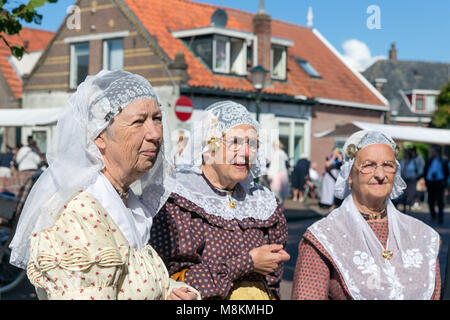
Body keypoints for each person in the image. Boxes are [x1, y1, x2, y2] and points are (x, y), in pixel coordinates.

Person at [9, 70, 200, 300]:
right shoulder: (78, 214)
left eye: (157, 119)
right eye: (138, 121)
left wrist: (171, 291)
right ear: (99, 136)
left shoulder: (129, 201)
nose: (154, 134)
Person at [150, 101, 290, 300]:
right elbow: (174, 284)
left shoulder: (263, 204)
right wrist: (247, 263)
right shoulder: (179, 202)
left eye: (251, 143)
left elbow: (273, 284)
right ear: (208, 149)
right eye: (234, 142)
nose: (246, 152)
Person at [291, 130, 441, 300]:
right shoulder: (324, 237)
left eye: (388, 165)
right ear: (349, 175)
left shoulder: (423, 236)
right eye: (368, 165)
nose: (380, 175)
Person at [423, 145, 449, 224]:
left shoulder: (442, 161)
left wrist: (444, 181)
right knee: (430, 200)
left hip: (439, 182)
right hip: (431, 182)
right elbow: (425, 170)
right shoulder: (429, 160)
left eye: (432, 151)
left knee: (440, 200)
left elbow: (447, 172)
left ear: (437, 152)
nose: (431, 153)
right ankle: (433, 215)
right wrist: (426, 180)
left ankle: (440, 217)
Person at [400, 148, 420, 213]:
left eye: (405, 153)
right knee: (404, 195)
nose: (404, 155)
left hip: (412, 180)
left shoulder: (414, 161)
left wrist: (415, 177)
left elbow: (419, 171)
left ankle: (409, 208)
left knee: (410, 194)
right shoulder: (402, 161)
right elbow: (400, 171)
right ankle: (405, 208)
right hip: (404, 180)